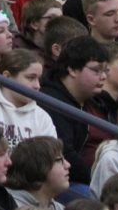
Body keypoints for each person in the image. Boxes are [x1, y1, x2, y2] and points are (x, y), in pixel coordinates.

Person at [39, 35, 109, 186]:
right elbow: (64, 152)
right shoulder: (51, 103)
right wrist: (98, 181)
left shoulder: (97, 99)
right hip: (64, 182)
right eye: (96, 70)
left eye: (105, 71)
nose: (103, 77)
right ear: (71, 69)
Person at [0, 48, 56, 149]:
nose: (37, 85)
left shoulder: (42, 117)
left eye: (39, 79)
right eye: (30, 78)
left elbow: (51, 159)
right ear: (7, 77)